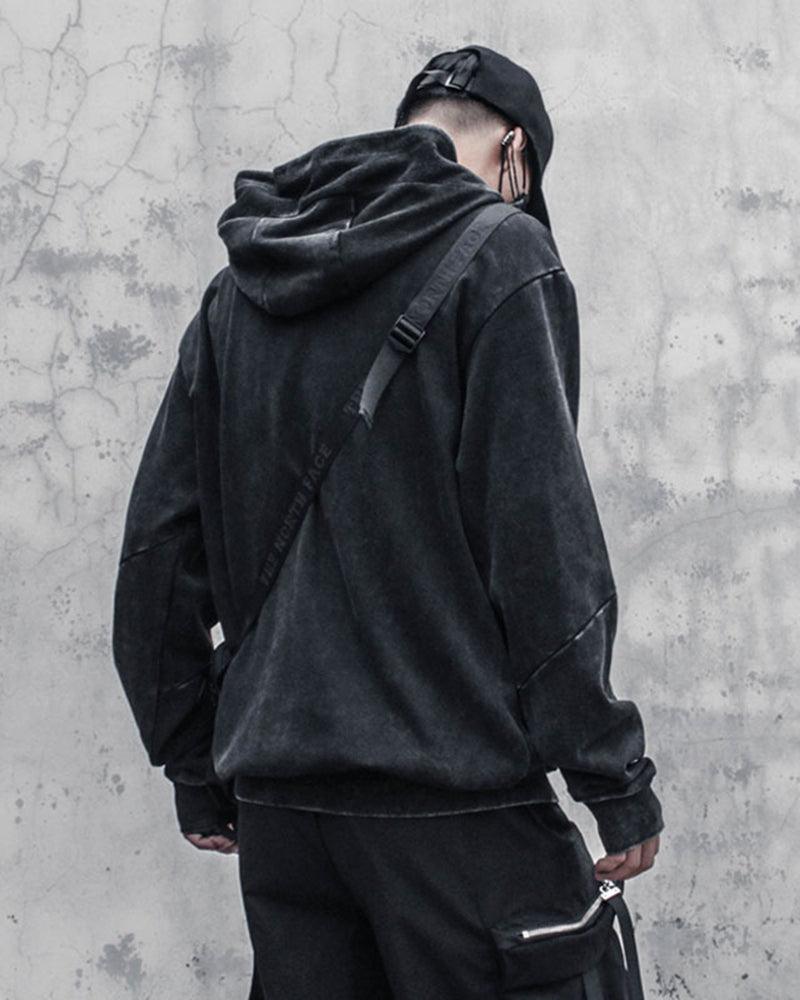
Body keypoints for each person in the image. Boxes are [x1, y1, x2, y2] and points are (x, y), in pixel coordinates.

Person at [112, 44, 664, 1000]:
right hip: (455, 807)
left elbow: (160, 545)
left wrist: (193, 760)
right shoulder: (503, 252)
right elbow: (541, 541)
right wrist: (612, 775)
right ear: (515, 154)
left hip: (286, 818)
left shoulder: (243, 284)